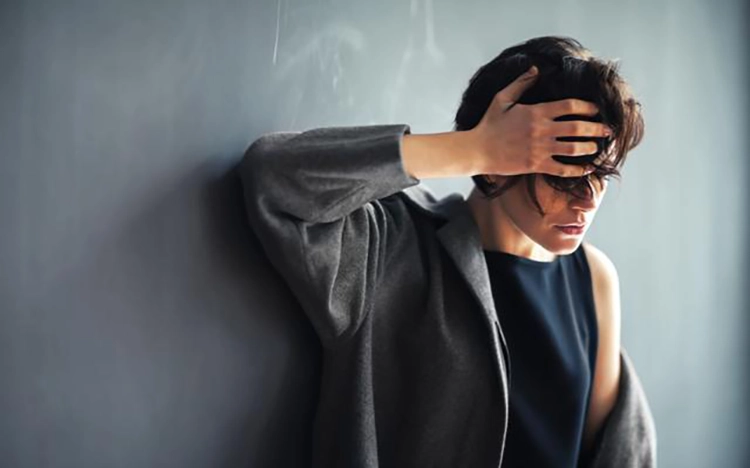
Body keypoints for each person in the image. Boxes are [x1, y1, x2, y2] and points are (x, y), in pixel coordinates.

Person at [239, 35, 656, 468]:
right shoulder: (393, 246)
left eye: (601, 174)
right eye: (564, 176)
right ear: (500, 163)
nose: (588, 200)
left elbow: (613, 454)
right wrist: (473, 149)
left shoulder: (593, 277)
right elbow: (273, 177)